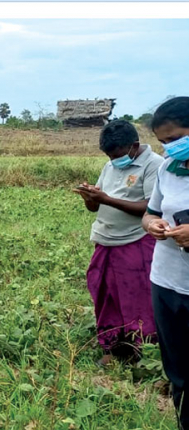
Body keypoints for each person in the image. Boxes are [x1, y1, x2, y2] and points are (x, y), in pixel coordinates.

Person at [73, 119, 162, 366]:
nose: (113, 160)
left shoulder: (155, 165)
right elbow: (95, 207)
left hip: (135, 241)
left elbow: (150, 207)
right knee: (105, 294)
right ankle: (113, 346)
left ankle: (141, 349)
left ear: (134, 146)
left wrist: (107, 199)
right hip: (105, 239)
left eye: (117, 155)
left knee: (136, 297)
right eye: (108, 156)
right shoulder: (110, 166)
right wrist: (90, 197)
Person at [142, 96, 189, 430]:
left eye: (176, 139)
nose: (169, 148)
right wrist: (152, 223)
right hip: (167, 281)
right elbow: (150, 211)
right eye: (164, 142)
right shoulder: (167, 170)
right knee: (180, 375)